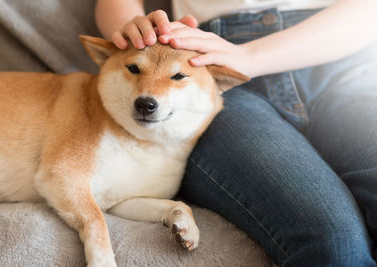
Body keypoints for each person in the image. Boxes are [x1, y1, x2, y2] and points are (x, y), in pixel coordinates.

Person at [95, 0, 377, 266]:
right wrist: (133, 32)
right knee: (335, 245)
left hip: (343, 54)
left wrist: (249, 56)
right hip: (211, 72)